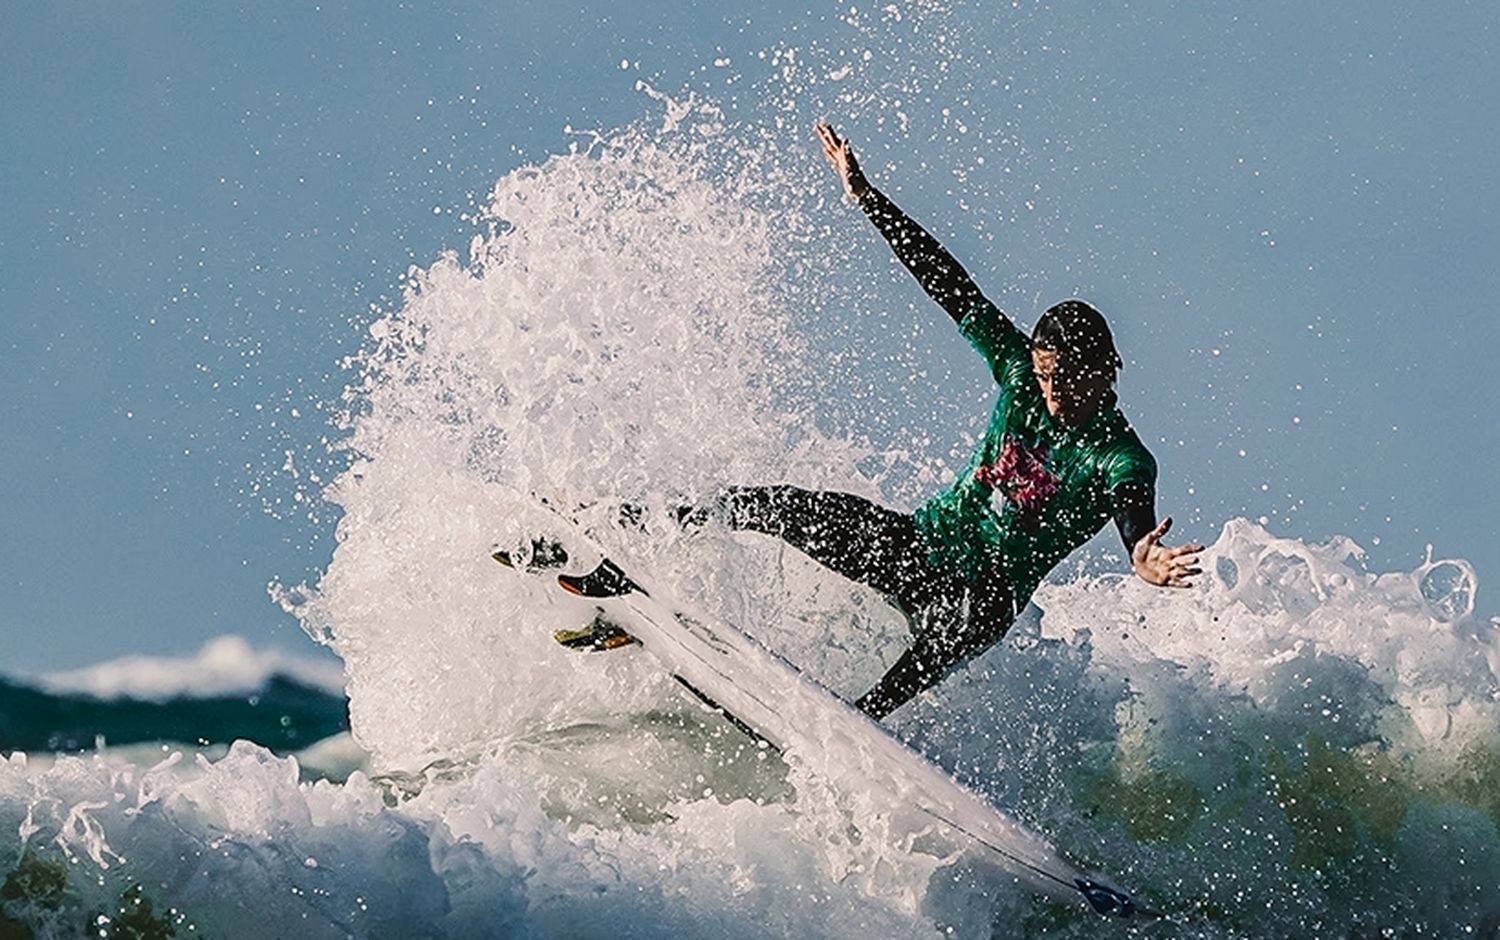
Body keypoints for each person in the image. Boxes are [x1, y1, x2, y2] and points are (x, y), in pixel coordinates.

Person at [687, 122, 1203, 720]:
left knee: (948, 633)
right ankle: (644, 533)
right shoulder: (1017, 372)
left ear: (1102, 372)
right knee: (781, 507)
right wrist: (865, 194)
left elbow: (1133, 510)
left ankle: (852, 724)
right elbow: (948, 282)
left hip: (981, 599)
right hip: (926, 544)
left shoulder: (1119, 456)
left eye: (1066, 379)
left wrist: (1142, 553)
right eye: (1043, 376)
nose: (1051, 391)